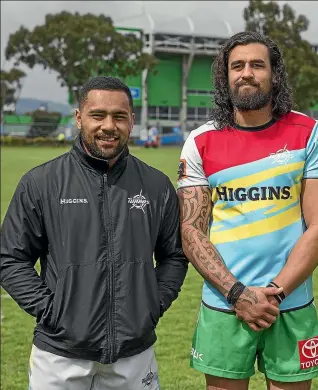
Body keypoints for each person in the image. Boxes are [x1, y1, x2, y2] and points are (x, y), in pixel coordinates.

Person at [0, 76, 188, 390]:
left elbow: (174, 256)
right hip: (60, 355)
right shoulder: (41, 183)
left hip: (134, 354)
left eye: (119, 116)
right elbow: (11, 258)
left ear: (132, 120)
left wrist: (152, 304)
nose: (108, 126)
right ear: (79, 118)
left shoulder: (156, 186)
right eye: (97, 115)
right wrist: (53, 312)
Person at [176, 31, 318, 390]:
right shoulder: (201, 140)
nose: (246, 73)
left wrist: (274, 293)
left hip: (290, 304)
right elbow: (191, 231)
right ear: (225, 76)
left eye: (257, 65)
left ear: (274, 74)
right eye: (237, 66)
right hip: (224, 304)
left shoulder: (309, 132)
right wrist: (238, 294)